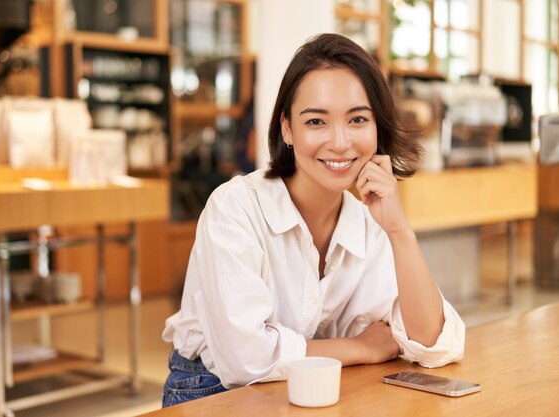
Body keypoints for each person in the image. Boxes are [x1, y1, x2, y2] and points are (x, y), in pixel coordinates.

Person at [161, 33, 465, 408]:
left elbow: (436, 345)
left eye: (357, 119)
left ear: (377, 127)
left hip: (323, 390)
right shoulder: (235, 208)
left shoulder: (371, 224)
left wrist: (399, 231)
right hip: (214, 392)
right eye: (317, 121)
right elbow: (245, 361)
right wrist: (358, 348)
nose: (339, 143)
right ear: (287, 128)